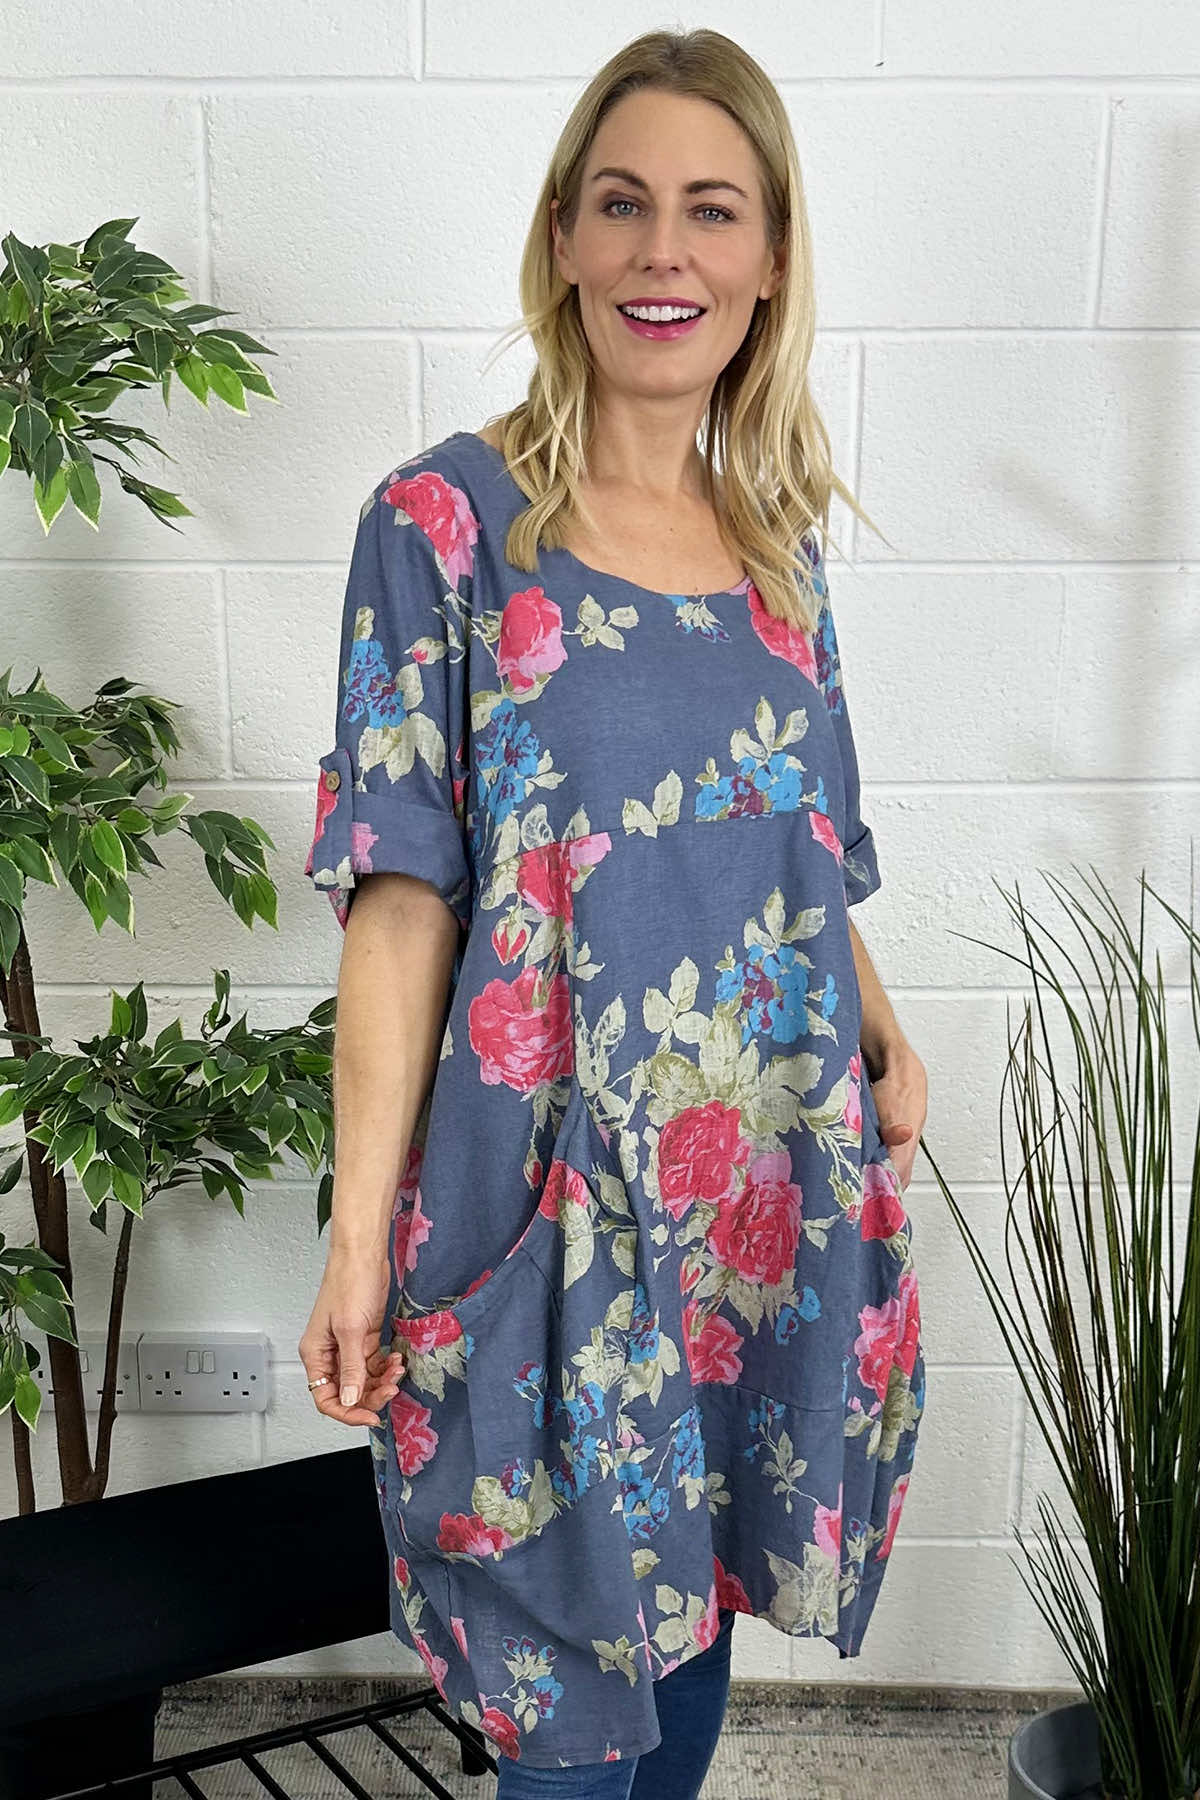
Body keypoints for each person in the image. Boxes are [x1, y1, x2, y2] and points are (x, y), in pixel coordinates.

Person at [298, 26, 929, 1797]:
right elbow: (400, 899)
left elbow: (800, 844)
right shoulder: (442, 525)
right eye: (625, 203)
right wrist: (359, 1242)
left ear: (771, 257)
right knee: (561, 1701)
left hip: (757, 1192)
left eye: (713, 211)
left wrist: (883, 1030)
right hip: (550, 1209)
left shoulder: (780, 541)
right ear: (564, 235)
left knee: (695, 1642)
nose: (668, 251)